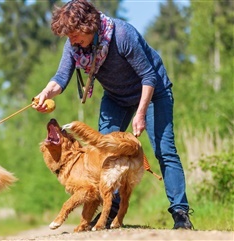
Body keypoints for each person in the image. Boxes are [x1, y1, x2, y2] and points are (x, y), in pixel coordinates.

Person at [33, 0, 193, 230]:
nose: (72, 40)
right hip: (117, 97)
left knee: (163, 150)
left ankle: (180, 214)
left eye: (75, 34)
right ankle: (111, 210)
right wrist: (46, 92)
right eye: (68, 36)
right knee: (102, 151)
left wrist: (140, 114)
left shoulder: (122, 35)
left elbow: (149, 77)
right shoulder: (75, 46)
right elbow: (61, 78)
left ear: (89, 26)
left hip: (152, 93)